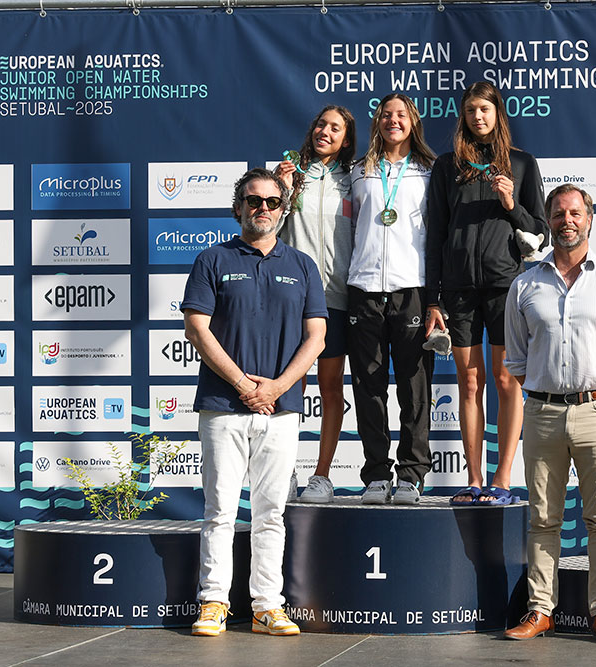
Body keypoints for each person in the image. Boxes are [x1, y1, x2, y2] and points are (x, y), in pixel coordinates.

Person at [502, 183, 596, 643]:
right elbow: (517, 361)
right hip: (542, 413)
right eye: (558, 213)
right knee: (543, 519)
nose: (566, 220)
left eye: (574, 213)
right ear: (548, 221)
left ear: (589, 219)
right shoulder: (525, 284)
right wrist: (547, 397)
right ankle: (539, 611)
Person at [182, 168, 327, 637]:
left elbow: (317, 337)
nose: (262, 208)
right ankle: (213, 603)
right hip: (223, 406)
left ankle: (267, 606)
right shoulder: (212, 259)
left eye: (272, 201)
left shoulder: (303, 265)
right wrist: (245, 384)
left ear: (283, 210)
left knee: (271, 514)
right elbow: (197, 329)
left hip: (280, 410)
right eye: (253, 200)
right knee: (219, 512)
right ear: (238, 207)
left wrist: (276, 388)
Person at [425, 82, 548, 506]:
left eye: (485, 109)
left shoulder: (522, 163)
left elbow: (541, 232)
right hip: (458, 289)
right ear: (463, 115)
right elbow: (435, 236)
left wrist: (511, 204)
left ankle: (503, 478)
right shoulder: (447, 167)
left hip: (504, 287)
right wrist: (433, 298)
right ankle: (474, 478)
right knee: (469, 381)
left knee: (505, 379)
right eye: (471, 110)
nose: (478, 117)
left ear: (498, 113)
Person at [347, 93, 437, 505]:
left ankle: (412, 475)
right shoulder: (358, 171)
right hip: (363, 288)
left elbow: (437, 237)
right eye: (386, 115)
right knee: (368, 388)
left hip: (411, 289)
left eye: (401, 115)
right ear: (377, 122)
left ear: (413, 122)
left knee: (414, 389)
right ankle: (377, 475)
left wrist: (436, 298)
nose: (393, 120)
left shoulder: (430, 171)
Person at [277, 105, 357, 504]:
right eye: (322, 124)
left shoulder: (355, 179)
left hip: (338, 297)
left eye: (335, 128)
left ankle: (322, 475)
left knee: (330, 385)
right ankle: (284, 470)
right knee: (291, 385)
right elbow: (269, 230)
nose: (326, 131)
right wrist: (282, 189)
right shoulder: (291, 174)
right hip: (294, 296)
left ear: (346, 138)